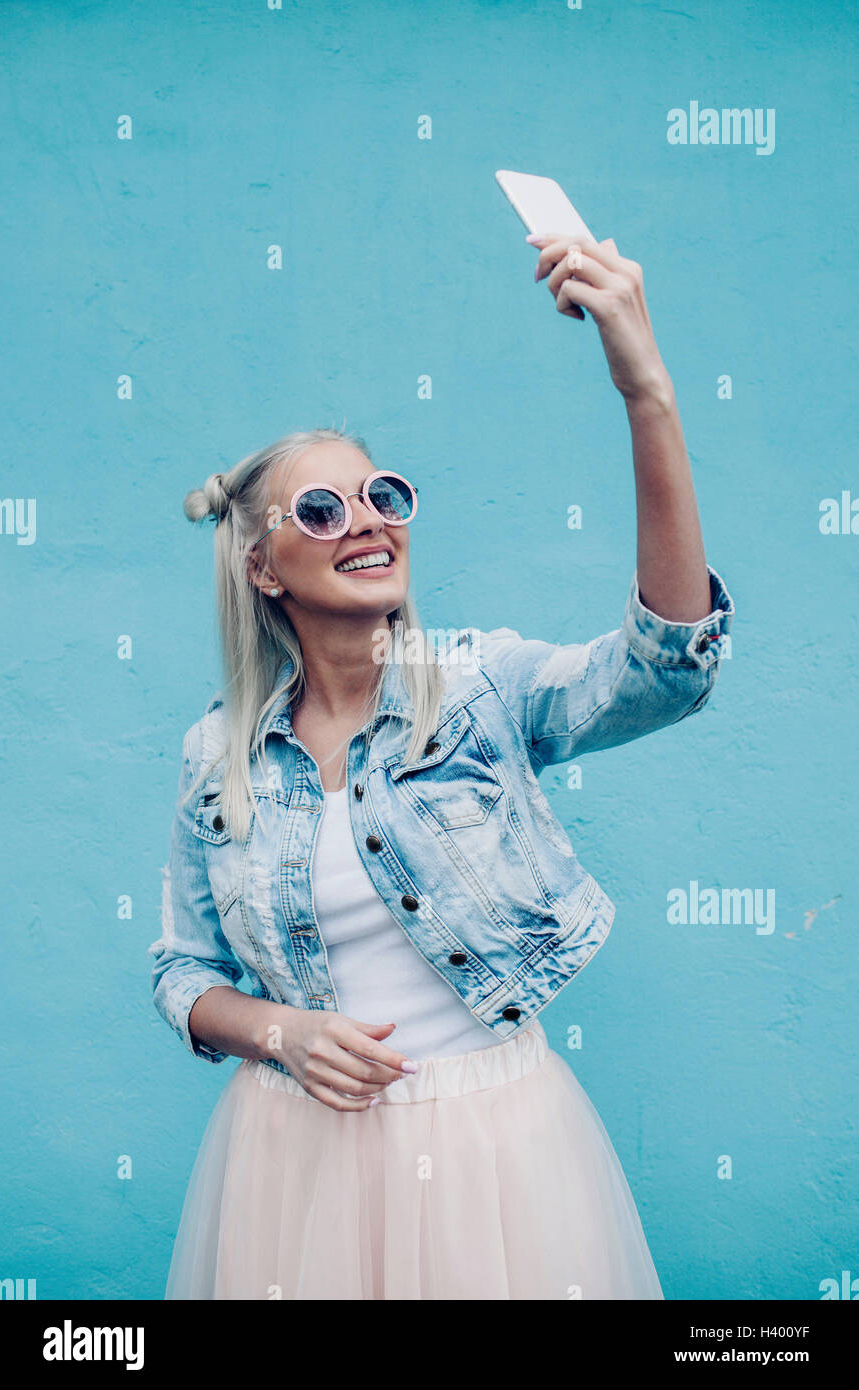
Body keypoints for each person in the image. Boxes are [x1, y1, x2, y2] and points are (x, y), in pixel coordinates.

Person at [149, 232, 735, 1300]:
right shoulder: (212, 757)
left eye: (382, 494)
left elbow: (665, 670)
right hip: (292, 1166)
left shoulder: (478, 691)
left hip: (490, 1154)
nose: (365, 518)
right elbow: (181, 974)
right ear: (259, 563)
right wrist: (281, 1033)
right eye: (319, 509)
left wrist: (644, 393)